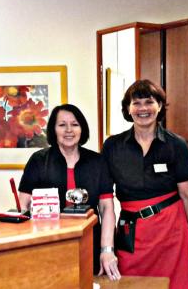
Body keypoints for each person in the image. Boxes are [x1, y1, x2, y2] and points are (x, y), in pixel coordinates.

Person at [101, 80, 188, 288]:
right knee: (129, 284)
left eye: (149, 102)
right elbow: (105, 199)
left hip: (171, 232)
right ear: (128, 109)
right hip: (131, 234)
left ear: (159, 106)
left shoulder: (176, 145)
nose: (143, 108)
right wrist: (107, 248)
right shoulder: (113, 146)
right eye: (136, 103)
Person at [18, 104, 120, 279]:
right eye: (62, 125)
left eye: (74, 124)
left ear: (82, 129)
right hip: (48, 244)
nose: (68, 130)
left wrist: (107, 250)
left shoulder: (98, 162)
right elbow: (23, 205)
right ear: (53, 129)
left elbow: (107, 209)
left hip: (90, 243)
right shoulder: (38, 161)